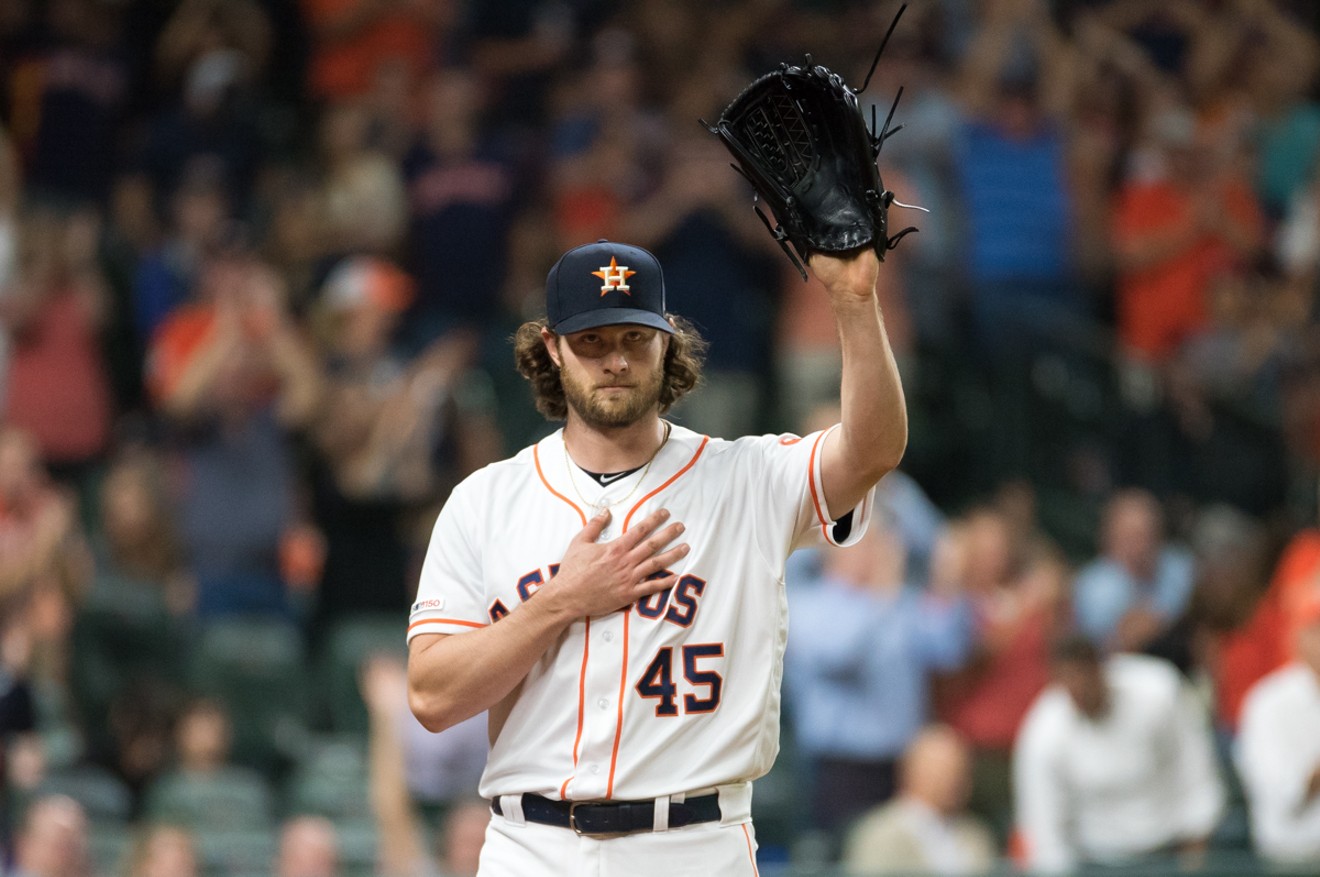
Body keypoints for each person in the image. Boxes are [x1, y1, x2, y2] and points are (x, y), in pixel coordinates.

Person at [406, 238, 907, 876]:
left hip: (694, 844)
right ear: (553, 348)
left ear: (666, 342)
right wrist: (561, 601)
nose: (615, 360)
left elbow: (873, 452)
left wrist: (854, 302)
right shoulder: (485, 501)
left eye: (633, 339)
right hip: (532, 848)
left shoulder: (747, 478)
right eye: (591, 341)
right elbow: (432, 696)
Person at [784, 523, 971, 837]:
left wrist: (947, 583)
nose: (875, 555)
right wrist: (881, 598)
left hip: (903, 764)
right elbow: (838, 657)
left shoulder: (901, 602)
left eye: (879, 544)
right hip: (841, 767)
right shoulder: (809, 603)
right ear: (834, 550)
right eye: (863, 544)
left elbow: (948, 651)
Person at [1013, 635, 1225, 873]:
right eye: (1068, 680)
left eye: (1084, 676)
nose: (1079, 689)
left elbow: (1196, 770)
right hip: (1094, 862)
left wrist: (1194, 853)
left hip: (1171, 853)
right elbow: (1043, 828)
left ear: (1101, 668)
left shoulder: (1158, 689)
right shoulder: (1043, 733)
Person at [841, 725, 996, 876]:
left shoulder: (978, 836)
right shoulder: (878, 835)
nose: (954, 780)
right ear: (911, 771)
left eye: (960, 770)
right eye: (942, 771)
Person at [1235, 592, 1320, 864]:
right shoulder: (1268, 702)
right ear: (1297, 638)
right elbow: (1283, 795)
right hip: (1297, 858)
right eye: (1316, 630)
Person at [1072, 489, 1194, 653]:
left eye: (1145, 535)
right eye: (1129, 536)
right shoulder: (1092, 586)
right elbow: (1097, 646)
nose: (1139, 546)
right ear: (1108, 538)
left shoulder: (1182, 568)